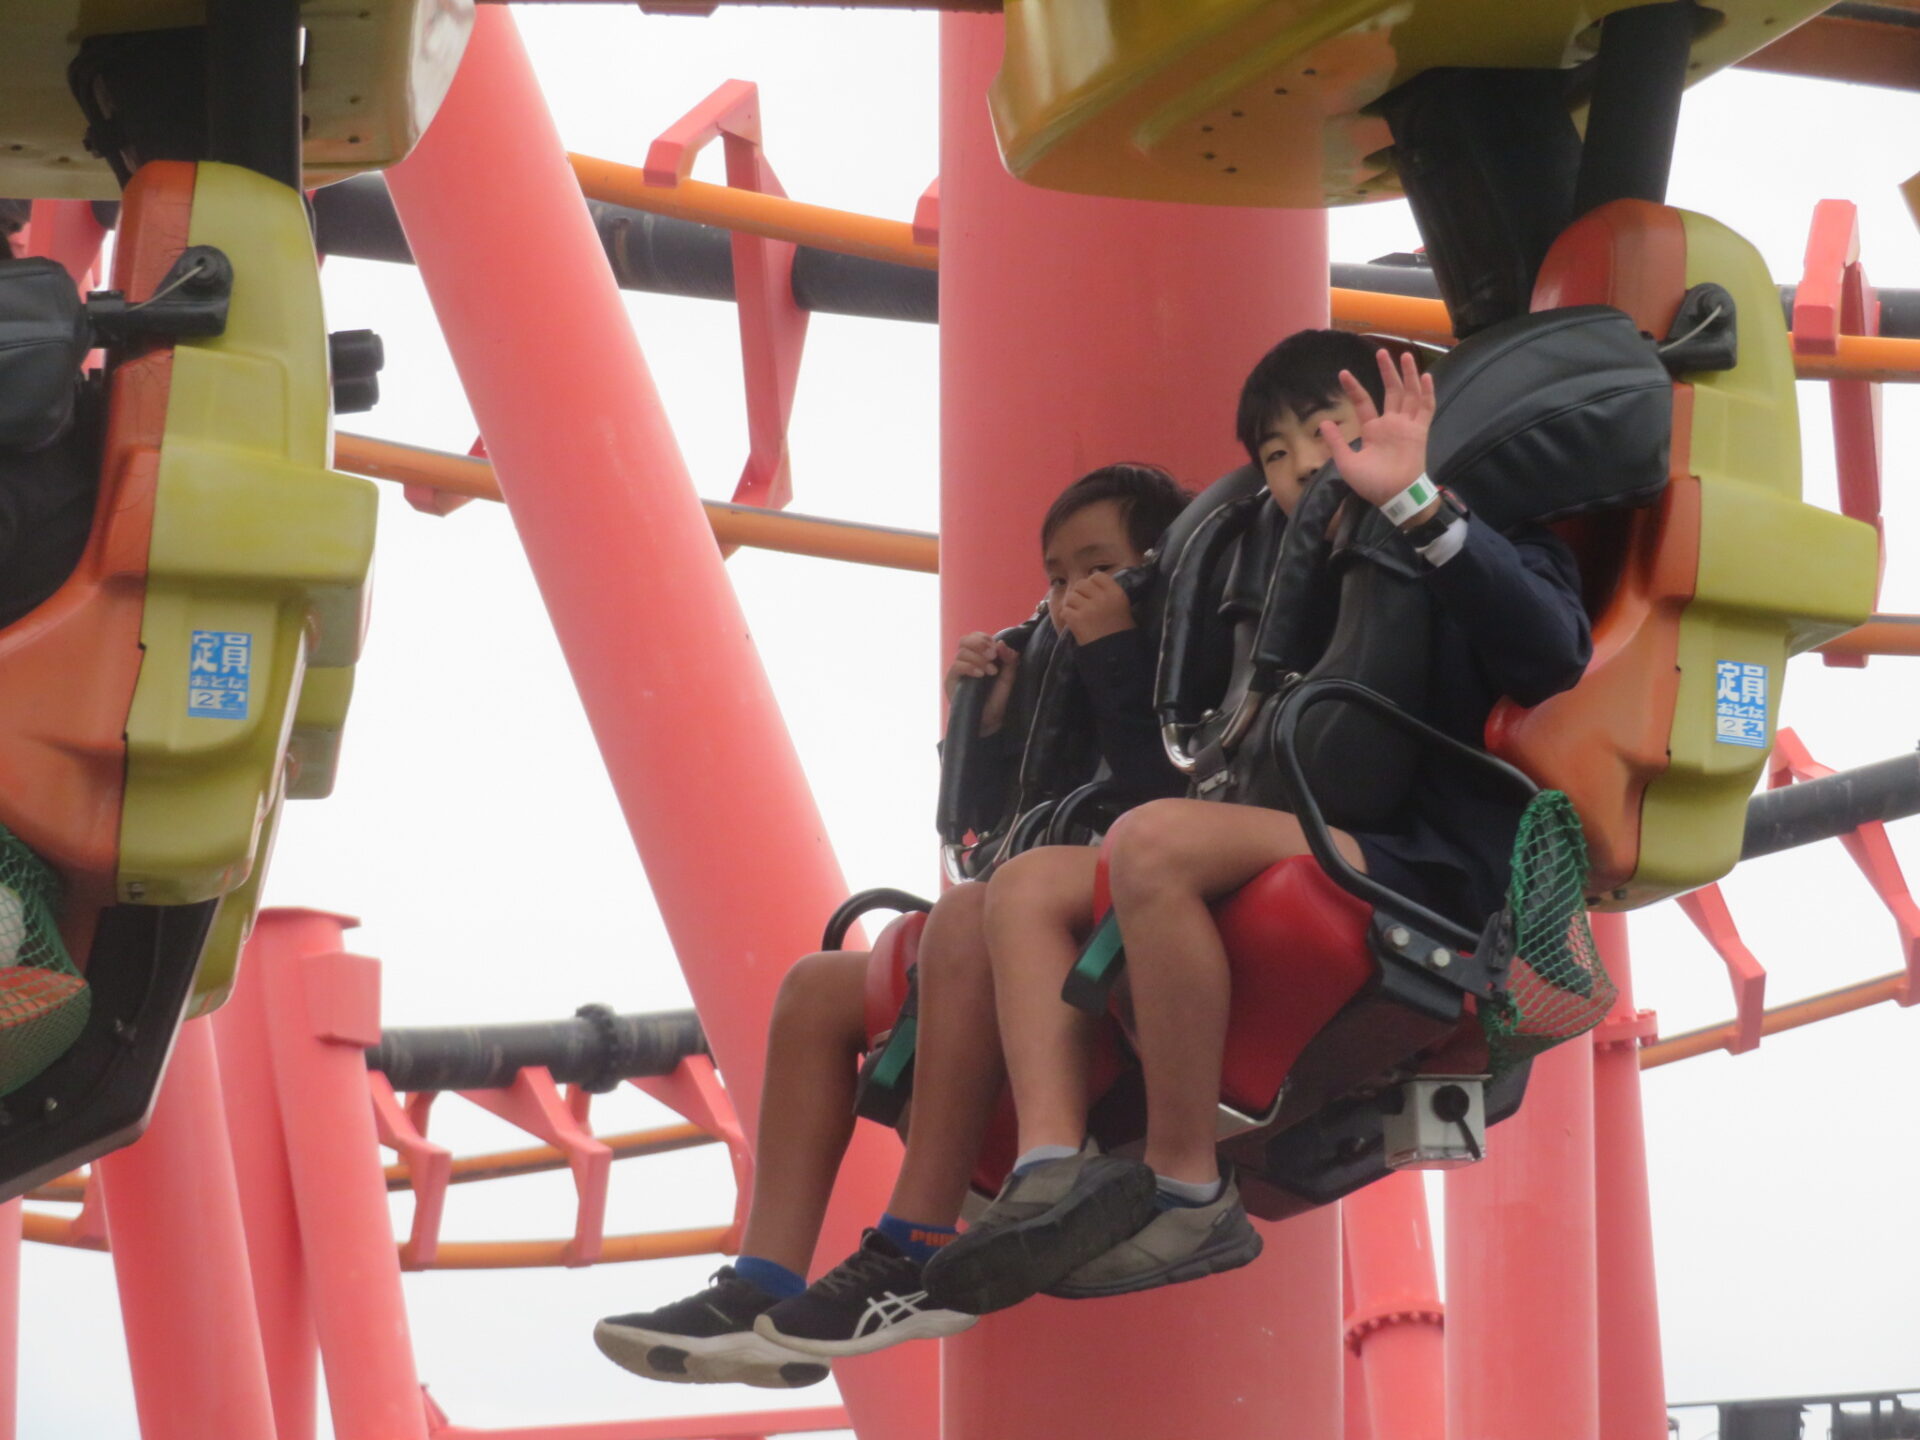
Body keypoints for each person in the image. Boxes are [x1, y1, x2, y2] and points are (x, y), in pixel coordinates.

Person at [921, 332, 1592, 1316]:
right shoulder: (1276, 591)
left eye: (1329, 429)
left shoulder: (1470, 529)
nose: (1308, 464)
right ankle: (1050, 1168)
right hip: (1305, 826)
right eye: (1277, 453)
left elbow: (1552, 651)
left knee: (1152, 842)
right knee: (1019, 887)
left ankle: (1187, 1183)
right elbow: (1185, 755)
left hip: (1436, 862)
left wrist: (1416, 502)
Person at [593, 464, 1193, 1387]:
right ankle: (761, 1277)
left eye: (1099, 566)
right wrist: (983, 727)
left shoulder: (1174, 640)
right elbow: (977, 840)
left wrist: (1112, 648)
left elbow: (1161, 788)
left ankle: (914, 1239)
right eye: (1056, 574)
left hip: (1130, 900)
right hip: (1032, 902)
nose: (1071, 593)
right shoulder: (1058, 662)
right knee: (816, 987)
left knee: (964, 917)